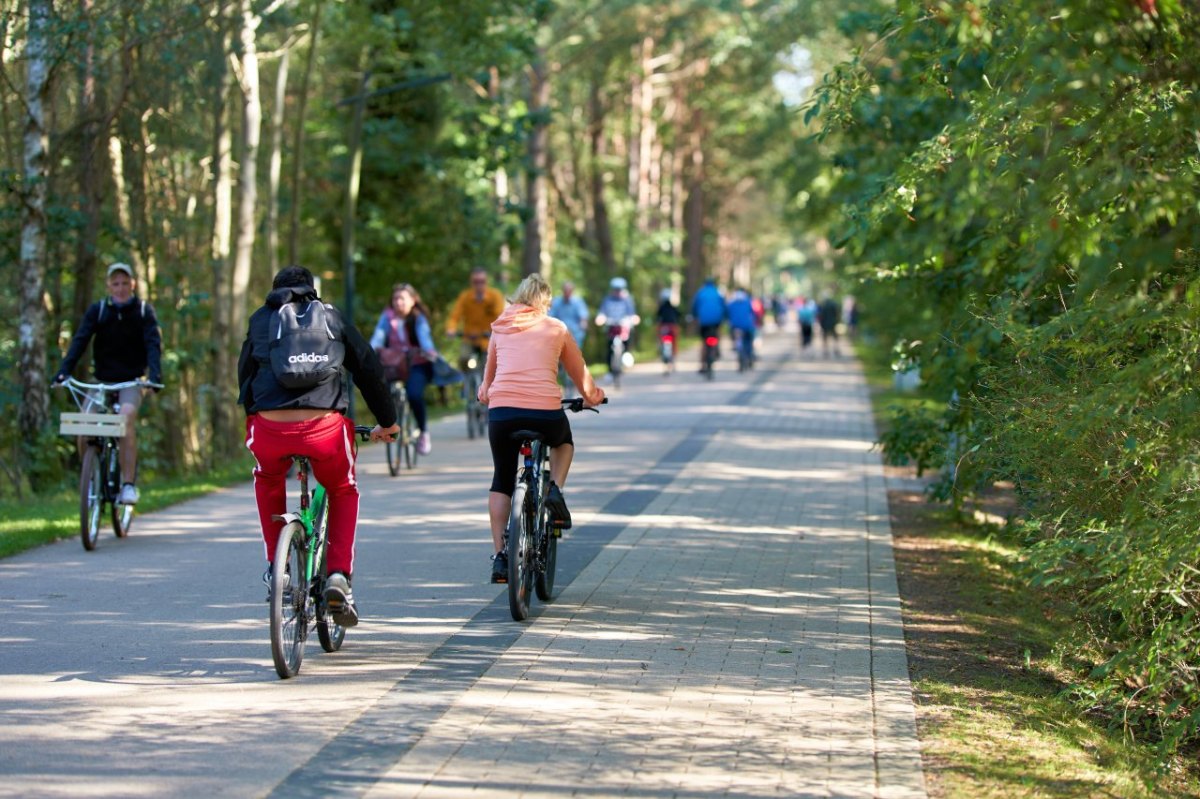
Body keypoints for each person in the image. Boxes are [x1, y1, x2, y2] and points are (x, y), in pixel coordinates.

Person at [237, 265, 399, 628]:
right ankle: (339, 575)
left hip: (269, 429)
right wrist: (387, 421)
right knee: (343, 489)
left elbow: (245, 372)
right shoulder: (331, 317)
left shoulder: (262, 319)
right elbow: (368, 369)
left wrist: (254, 415)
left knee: (267, 478)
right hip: (324, 430)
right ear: (312, 290)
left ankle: (275, 569)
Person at [477, 273, 606, 584]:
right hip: (544, 413)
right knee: (563, 443)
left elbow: (485, 389)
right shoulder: (556, 328)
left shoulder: (500, 327)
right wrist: (593, 397)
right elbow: (582, 379)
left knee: (501, 480)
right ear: (545, 302)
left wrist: (490, 395)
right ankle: (554, 490)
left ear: (518, 298)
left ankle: (499, 557)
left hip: (503, 415)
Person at [53, 262, 163, 505]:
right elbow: (80, 341)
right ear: (108, 285)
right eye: (116, 283)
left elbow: (153, 345)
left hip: (131, 381)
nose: (121, 288)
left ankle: (127, 485)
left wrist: (154, 376)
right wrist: (63, 372)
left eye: (125, 282)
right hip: (101, 380)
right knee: (84, 422)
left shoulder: (144, 311)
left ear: (133, 284)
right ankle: (90, 478)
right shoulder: (99, 310)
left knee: (125, 419)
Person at [370, 283, 438, 455]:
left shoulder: (418, 318)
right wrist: (371, 350)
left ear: (413, 301)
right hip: (393, 364)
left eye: (402, 299)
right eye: (395, 299)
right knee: (378, 390)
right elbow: (378, 337)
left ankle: (423, 432)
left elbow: (425, 339)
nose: (398, 302)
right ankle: (386, 425)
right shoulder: (387, 317)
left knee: (414, 394)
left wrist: (429, 351)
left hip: (417, 363)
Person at [445, 266, 506, 364]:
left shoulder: (495, 296)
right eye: (476, 282)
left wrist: (497, 331)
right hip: (469, 339)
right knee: (464, 360)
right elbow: (454, 316)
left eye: (482, 281)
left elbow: (500, 317)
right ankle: (466, 379)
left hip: (488, 340)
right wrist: (451, 329)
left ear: (487, 281)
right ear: (471, 282)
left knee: (490, 364)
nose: (479, 285)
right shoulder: (465, 297)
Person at [549, 281, 590, 396]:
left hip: (575, 334)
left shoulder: (578, 302)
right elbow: (550, 316)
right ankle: (562, 377)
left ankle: (575, 379)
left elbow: (583, 317)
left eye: (569, 291)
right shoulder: (557, 302)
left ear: (572, 291)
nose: (567, 293)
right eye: (565, 291)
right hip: (559, 334)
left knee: (575, 359)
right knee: (556, 360)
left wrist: (583, 324)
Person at [594, 277, 640, 377]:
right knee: (609, 348)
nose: (617, 291)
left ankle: (627, 354)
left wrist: (634, 319)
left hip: (623, 327)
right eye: (615, 289)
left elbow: (632, 313)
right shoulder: (607, 300)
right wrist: (600, 319)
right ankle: (610, 371)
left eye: (619, 289)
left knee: (627, 340)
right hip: (611, 327)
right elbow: (602, 313)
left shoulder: (627, 300)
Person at [690, 277, 726, 368]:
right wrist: (724, 318)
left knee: (703, 341)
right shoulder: (718, 293)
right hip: (716, 320)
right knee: (716, 333)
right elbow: (724, 307)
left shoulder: (700, 293)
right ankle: (716, 349)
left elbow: (694, 307)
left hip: (704, 321)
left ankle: (702, 364)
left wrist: (694, 316)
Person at [726, 288, 757, 367]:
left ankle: (739, 352)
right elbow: (753, 313)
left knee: (737, 340)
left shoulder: (731, 303)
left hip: (735, 327)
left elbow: (727, 314)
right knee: (748, 342)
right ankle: (749, 357)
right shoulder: (748, 302)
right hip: (747, 326)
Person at [654, 288, 682, 373]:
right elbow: (679, 315)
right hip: (672, 327)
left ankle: (660, 348)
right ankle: (673, 360)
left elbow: (657, 317)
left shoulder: (661, 308)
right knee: (674, 343)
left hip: (664, 327)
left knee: (661, 339)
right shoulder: (673, 307)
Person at [818, 292, 841, 357]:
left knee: (825, 337)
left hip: (825, 323)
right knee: (835, 336)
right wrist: (837, 321)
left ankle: (826, 350)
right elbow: (837, 313)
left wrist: (821, 323)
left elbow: (821, 315)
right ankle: (836, 349)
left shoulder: (823, 305)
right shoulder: (833, 304)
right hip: (833, 322)